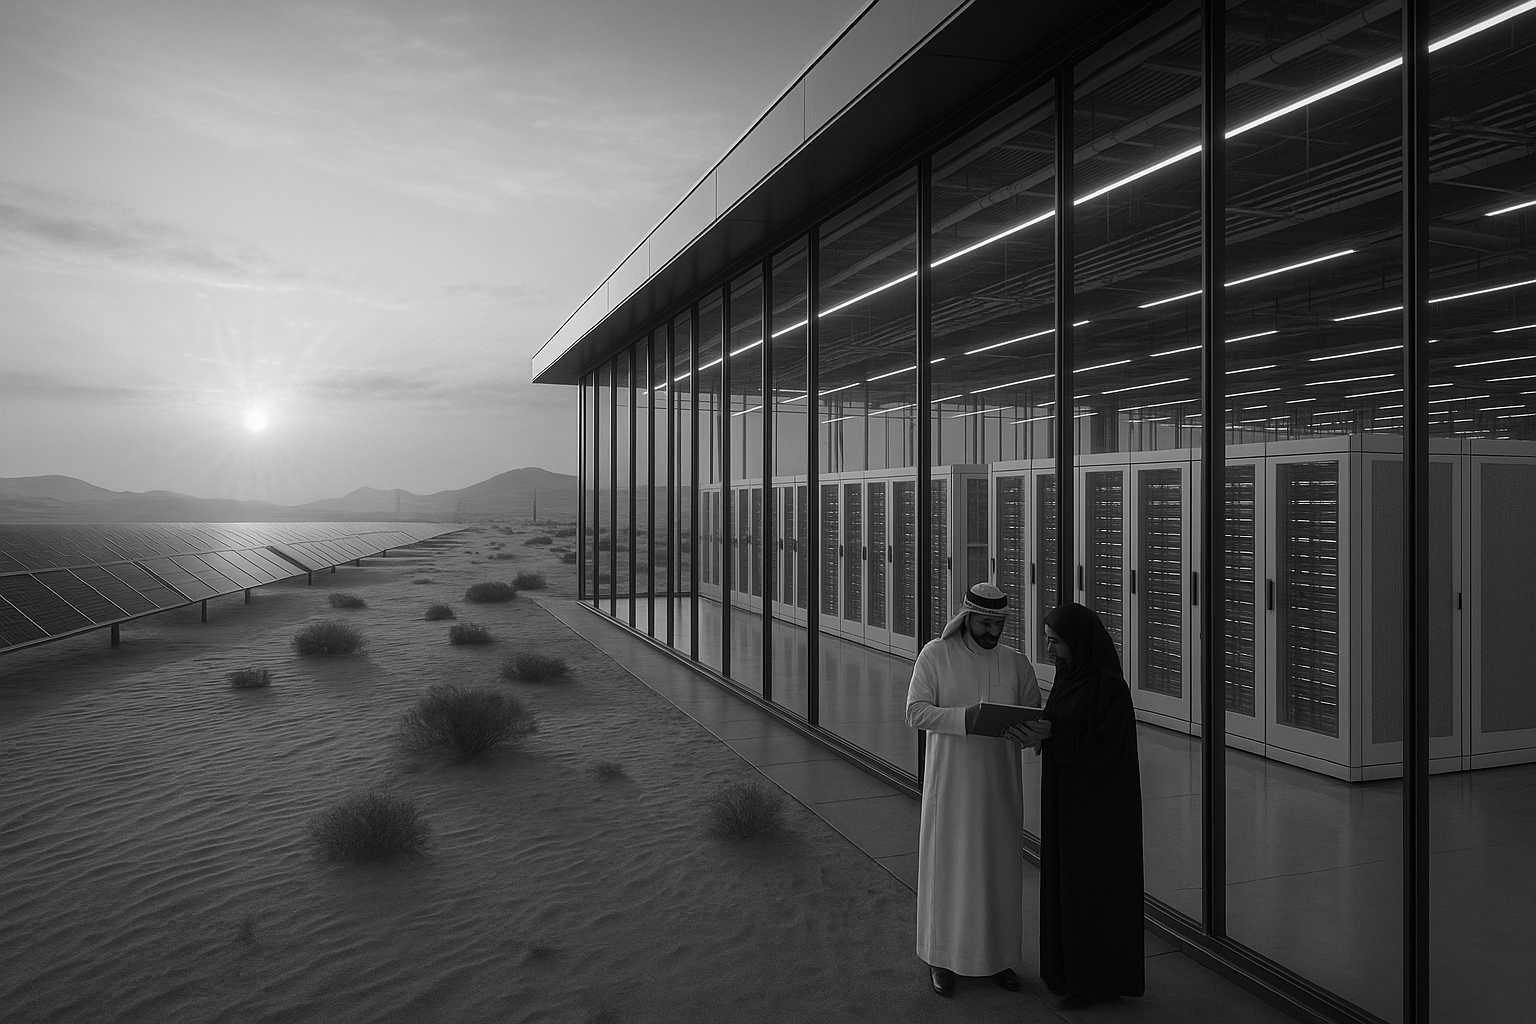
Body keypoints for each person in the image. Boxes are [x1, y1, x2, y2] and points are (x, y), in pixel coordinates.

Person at [905, 582, 1047, 998]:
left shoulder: (1016, 663)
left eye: (999, 624)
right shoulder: (935, 655)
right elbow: (915, 712)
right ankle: (941, 958)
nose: (993, 631)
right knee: (949, 873)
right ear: (967, 618)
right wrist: (965, 719)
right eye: (986, 623)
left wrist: (1035, 734)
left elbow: (1035, 717)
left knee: (998, 874)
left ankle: (999, 958)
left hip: (1000, 790)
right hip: (950, 789)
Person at [1037, 602, 1146, 1003]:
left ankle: (1094, 982)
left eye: (1055, 642)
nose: (1050, 650)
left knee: (1091, 891)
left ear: (1078, 642)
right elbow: (1057, 722)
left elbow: (1104, 748)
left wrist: (1052, 738)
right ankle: (1065, 973)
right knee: (1065, 885)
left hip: (1097, 811)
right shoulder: (1068, 675)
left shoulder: (1108, 686)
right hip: (1066, 800)